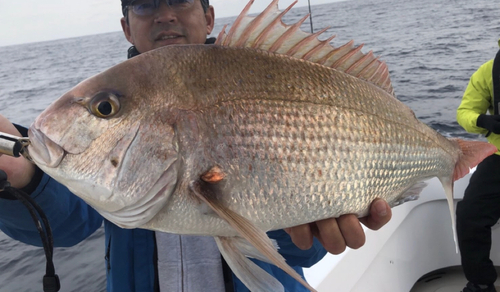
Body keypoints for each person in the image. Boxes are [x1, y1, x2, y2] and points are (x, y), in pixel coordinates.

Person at [0, 0, 393, 291]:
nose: (164, 14)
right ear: (125, 27)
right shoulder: (116, 130)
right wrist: (24, 182)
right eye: (146, 3)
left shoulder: (262, 67)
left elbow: (298, 251)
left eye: (180, 0)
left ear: (208, 16)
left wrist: (308, 233)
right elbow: (68, 224)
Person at [456, 39, 500, 292]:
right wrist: (484, 120)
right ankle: (481, 283)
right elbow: (465, 112)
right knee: (470, 215)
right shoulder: (489, 71)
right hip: (498, 156)